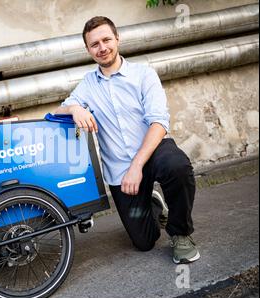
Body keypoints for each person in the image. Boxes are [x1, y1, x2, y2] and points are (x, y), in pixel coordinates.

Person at [54, 16, 200, 264]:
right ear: (88, 50)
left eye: (106, 40)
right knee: (144, 242)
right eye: (95, 44)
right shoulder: (88, 84)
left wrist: (137, 166)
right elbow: (58, 111)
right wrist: (74, 109)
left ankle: (181, 234)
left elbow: (158, 123)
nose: (102, 48)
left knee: (178, 167)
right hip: (120, 169)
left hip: (154, 151)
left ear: (117, 38)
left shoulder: (144, 74)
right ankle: (152, 202)